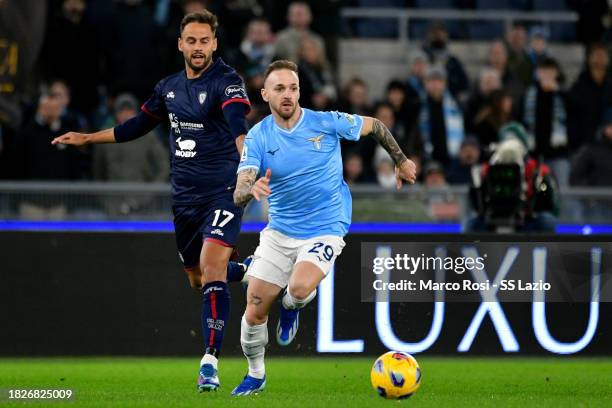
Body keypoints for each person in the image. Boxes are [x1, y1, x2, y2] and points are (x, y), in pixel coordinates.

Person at [51, 10, 250, 392]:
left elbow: (239, 125)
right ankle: (251, 270)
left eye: (204, 41)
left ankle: (210, 361)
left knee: (210, 267)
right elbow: (136, 126)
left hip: (224, 191)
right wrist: (87, 138)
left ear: (214, 43)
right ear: (180, 44)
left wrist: (249, 166)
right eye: (190, 40)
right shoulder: (169, 87)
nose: (197, 47)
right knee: (198, 278)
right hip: (185, 200)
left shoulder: (227, 82)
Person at [229, 60, 416, 395]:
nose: (288, 95)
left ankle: (291, 307)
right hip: (280, 230)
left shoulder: (325, 122)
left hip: (326, 225)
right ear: (265, 93)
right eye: (280, 88)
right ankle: (255, 374)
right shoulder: (258, 136)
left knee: (299, 289)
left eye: (293, 88)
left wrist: (400, 160)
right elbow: (241, 188)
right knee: (254, 309)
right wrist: (249, 191)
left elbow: (373, 125)